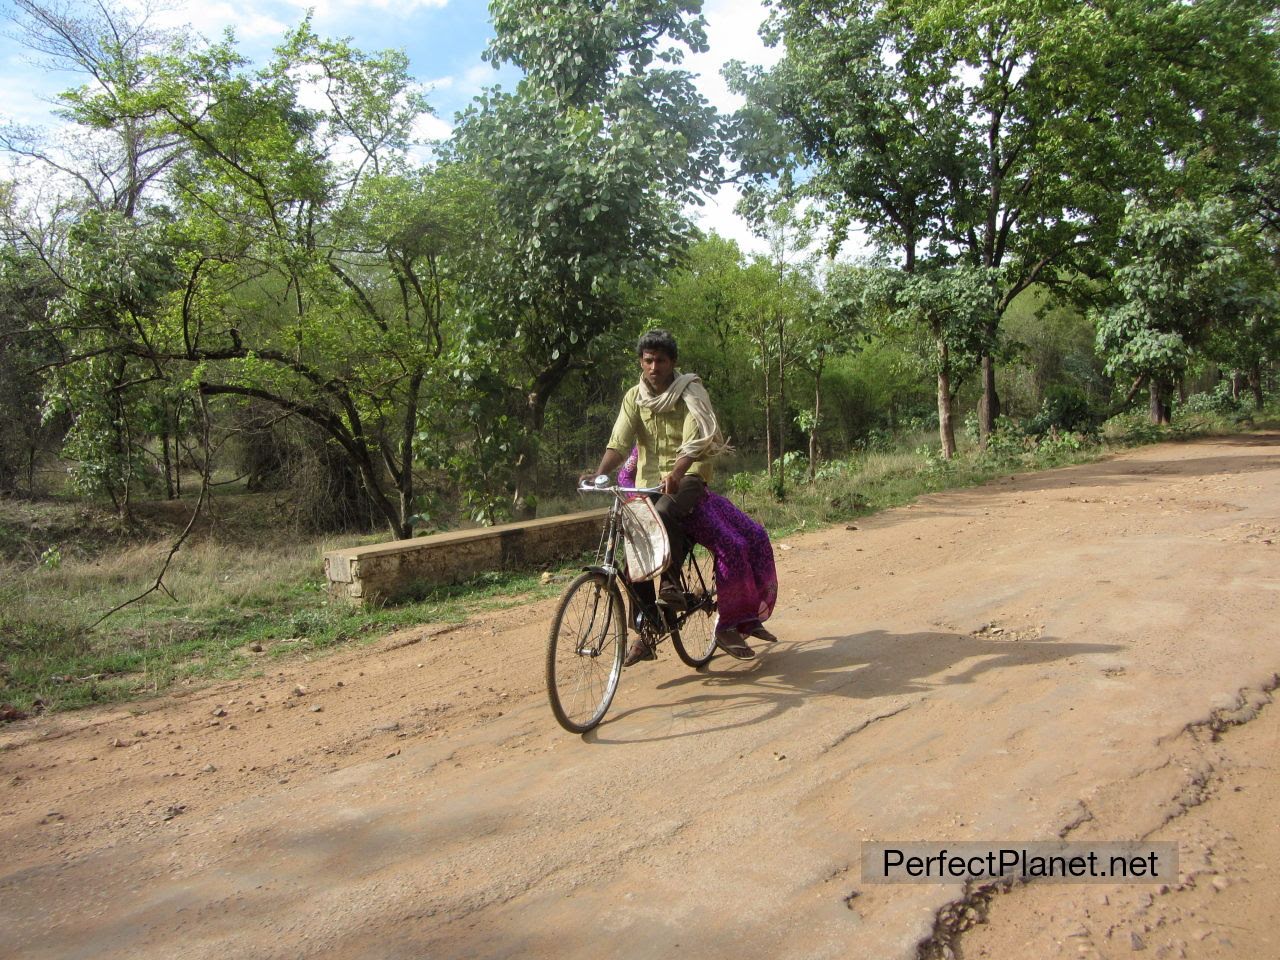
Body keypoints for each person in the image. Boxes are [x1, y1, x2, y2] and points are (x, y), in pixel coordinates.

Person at [582, 329, 758, 665]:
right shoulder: (634, 397)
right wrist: (601, 473)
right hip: (647, 480)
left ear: (672, 362)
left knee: (663, 511)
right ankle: (645, 632)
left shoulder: (690, 392)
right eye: (648, 360)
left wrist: (677, 474)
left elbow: (695, 441)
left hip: (689, 475)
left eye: (660, 360)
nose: (654, 366)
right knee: (634, 550)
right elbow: (618, 442)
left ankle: (671, 582)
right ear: (641, 362)